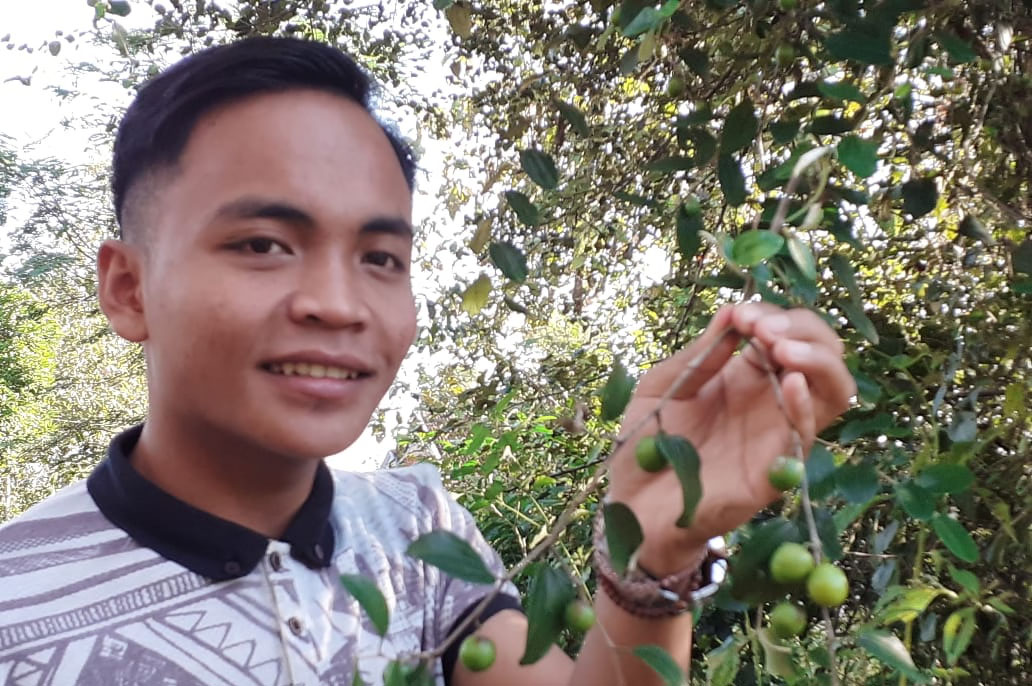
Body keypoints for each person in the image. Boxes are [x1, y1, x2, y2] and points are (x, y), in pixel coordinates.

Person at [0, 37, 855, 686]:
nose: (338, 303)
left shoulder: (417, 530)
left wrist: (654, 557)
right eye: (263, 243)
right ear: (129, 288)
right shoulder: (17, 606)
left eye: (381, 259)